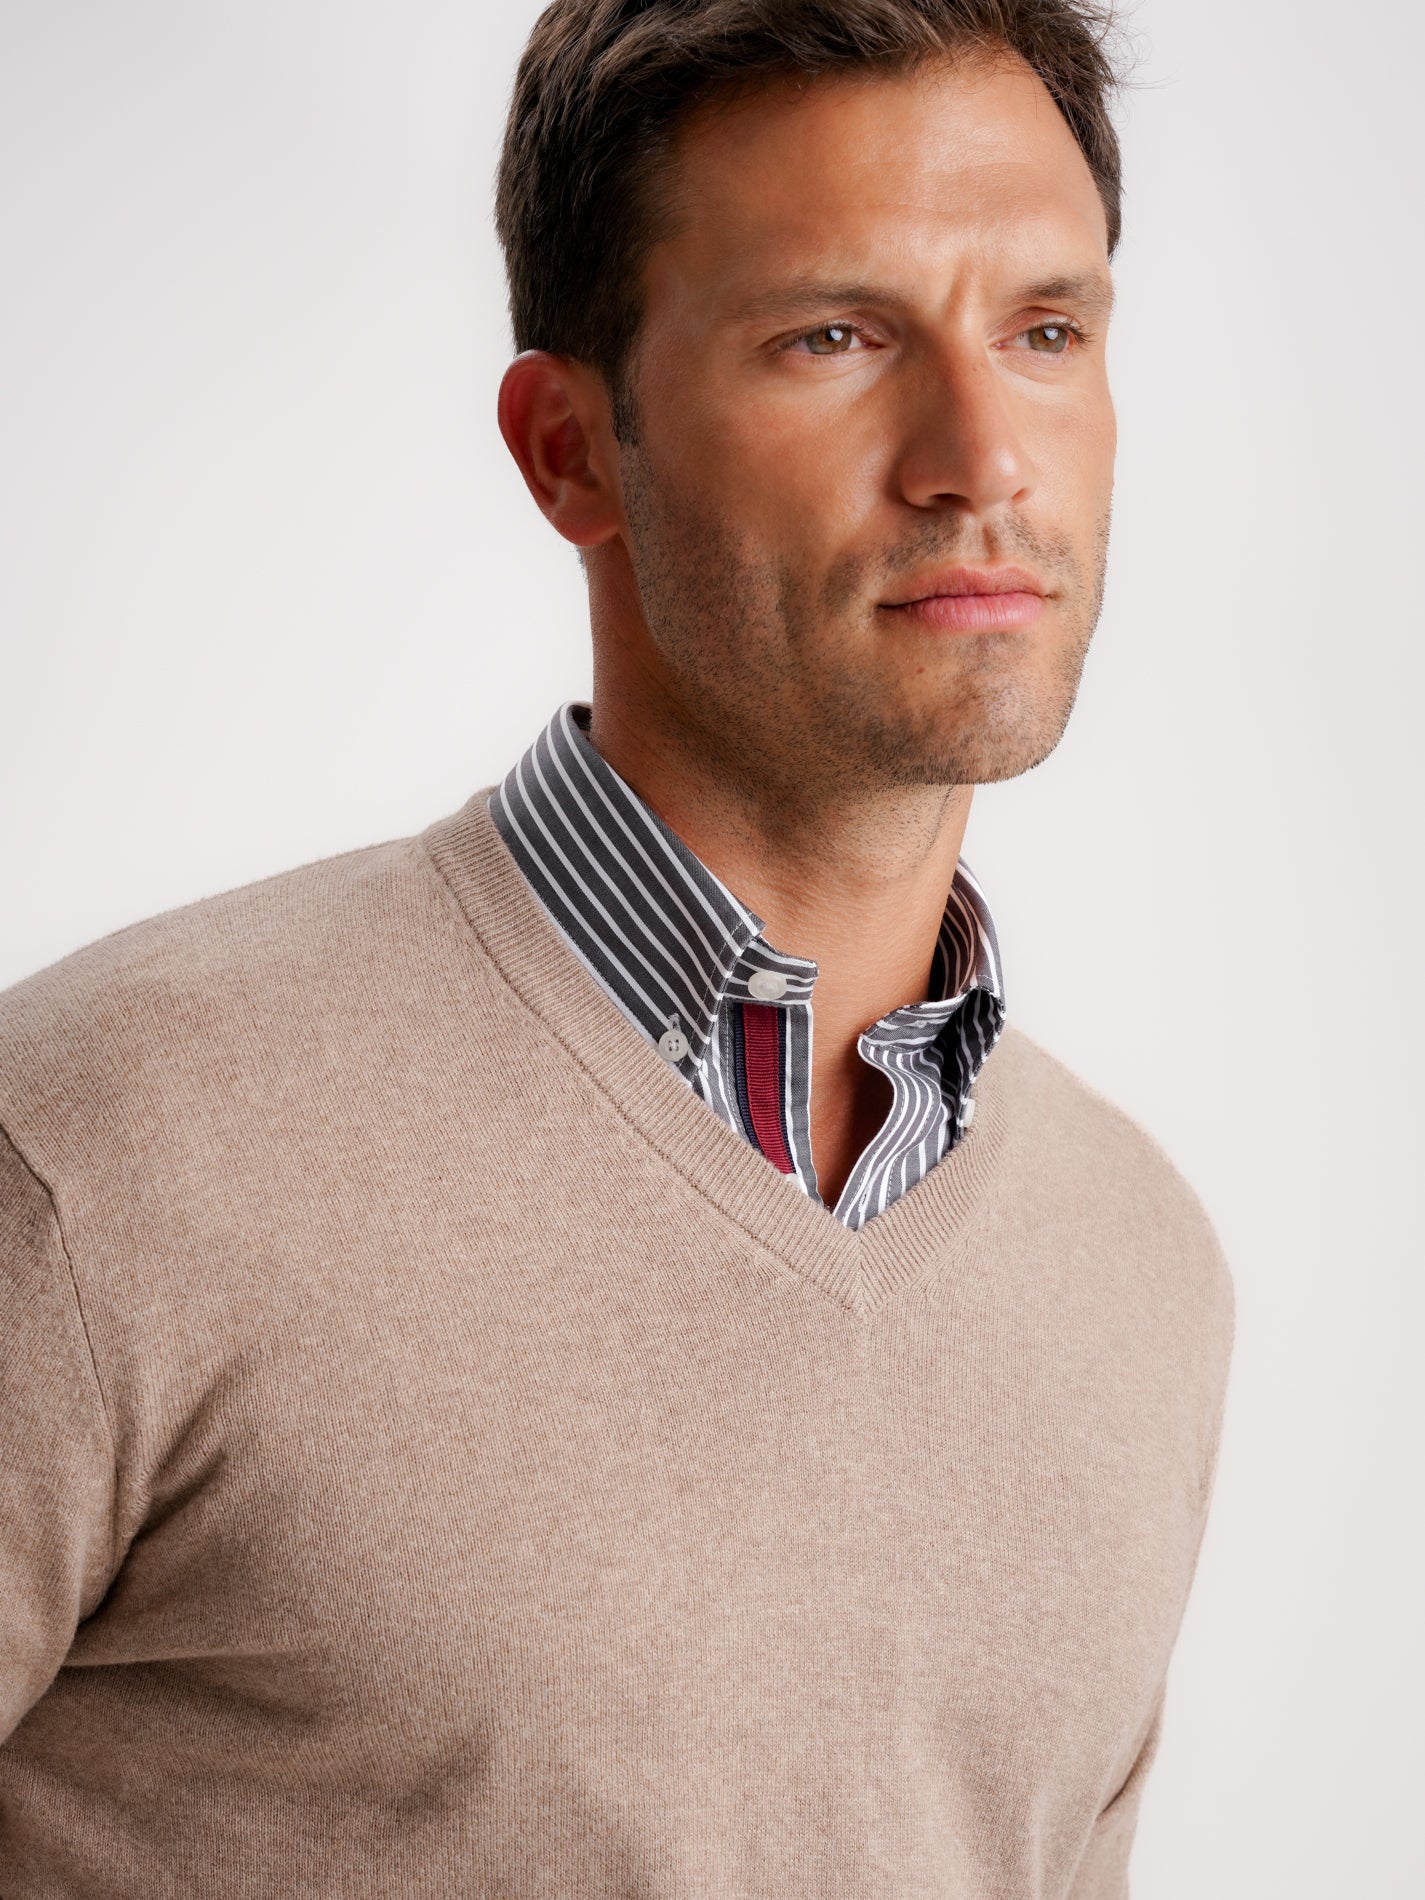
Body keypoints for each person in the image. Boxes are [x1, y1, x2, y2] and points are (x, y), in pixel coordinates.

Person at [0, 1, 1235, 1894]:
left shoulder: (1134, 1266)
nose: (980, 456)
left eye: (1044, 332)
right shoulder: (109, 1151)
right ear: (568, 449)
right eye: (833, 337)